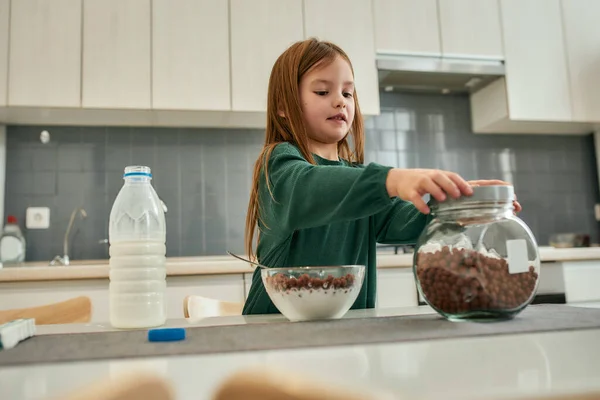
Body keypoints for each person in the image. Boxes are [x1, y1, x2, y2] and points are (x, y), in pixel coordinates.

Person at [242, 38, 521, 315]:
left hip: (347, 332)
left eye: (348, 94)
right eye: (323, 92)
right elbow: (310, 188)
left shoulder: (360, 182)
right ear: (283, 106)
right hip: (275, 333)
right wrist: (391, 179)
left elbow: (406, 220)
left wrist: (455, 206)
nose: (340, 101)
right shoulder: (278, 164)